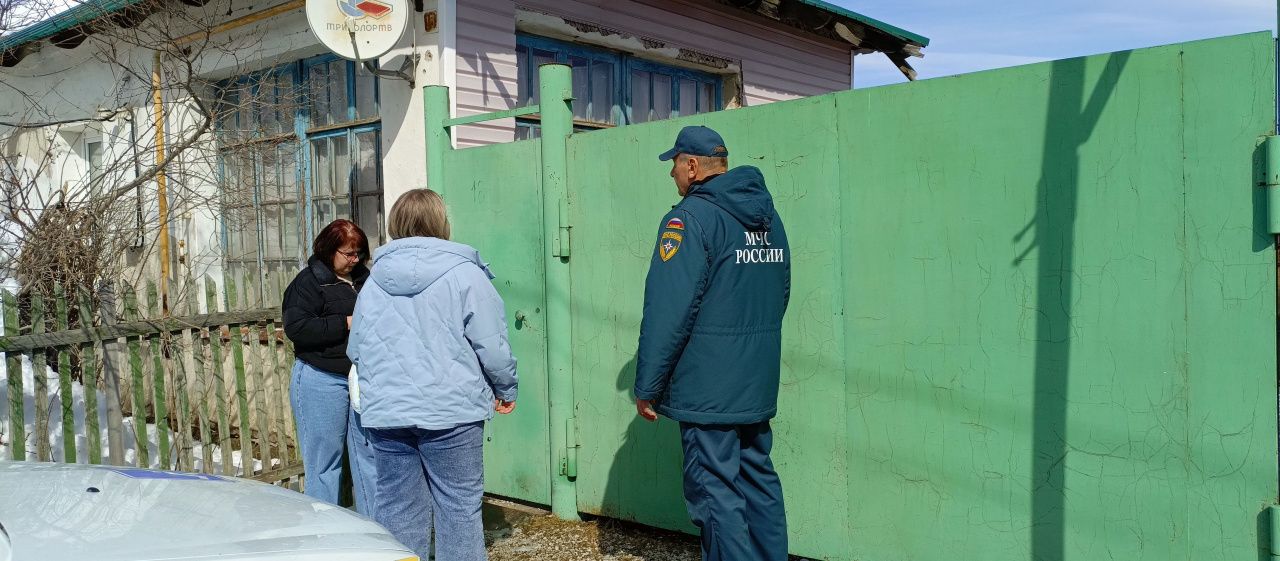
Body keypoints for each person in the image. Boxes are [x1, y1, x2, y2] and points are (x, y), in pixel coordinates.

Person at [634, 125, 792, 561]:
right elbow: (780, 294)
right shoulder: (767, 217)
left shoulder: (689, 219)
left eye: (674, 165)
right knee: (758, 480)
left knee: (714, 492)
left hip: (709, 388)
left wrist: (647, 386)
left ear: (691, 165)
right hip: (756, 380)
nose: (672, 176)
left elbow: (669, 310)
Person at [346, 188, 518, 561]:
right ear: (441, 222)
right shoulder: (467, 276)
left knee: (397, 512)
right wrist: (506, 387)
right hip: (452, 412)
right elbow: (492, 345)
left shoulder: (373, 282)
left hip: (388, 414)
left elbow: (355, 349)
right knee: (458, 510)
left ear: (395, 225)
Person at [282, 218, 378, 515]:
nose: (355, 260)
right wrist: (345, 323)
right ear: (328, 249)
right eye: (348, 253)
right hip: (321, 378)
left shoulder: (365, 279)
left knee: (369, 458)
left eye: (359, 253)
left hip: (361, 378)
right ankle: (325, 536)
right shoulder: (308, 283)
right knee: (325, 463)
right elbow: (297, 328)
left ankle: (374, 532)